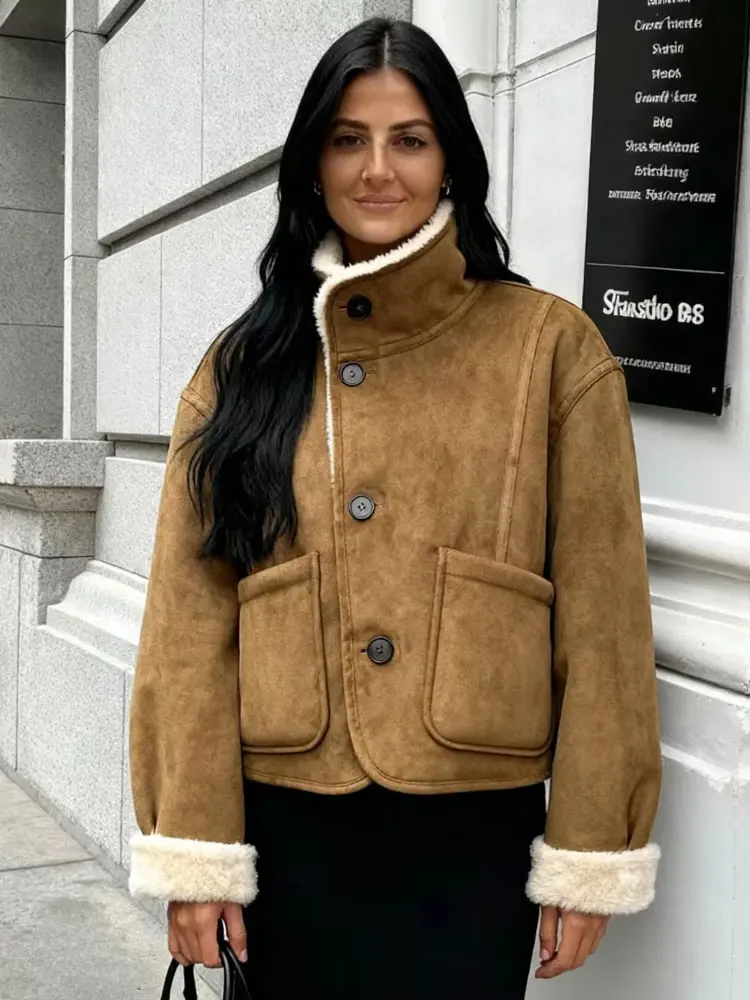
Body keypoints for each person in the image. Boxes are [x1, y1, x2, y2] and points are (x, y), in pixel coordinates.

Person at [127, 16, 662, 1000]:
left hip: (474, 831)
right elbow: (188, 627)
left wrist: (592, 849)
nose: (378, 169)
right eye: (349, 139)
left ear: (450, 156)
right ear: (313, 162)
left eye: (409, 139)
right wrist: (194, 849)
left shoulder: (550, 350)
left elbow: (606, 620)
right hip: (287, 828)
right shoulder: (243, 367)